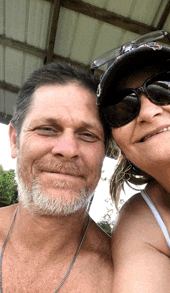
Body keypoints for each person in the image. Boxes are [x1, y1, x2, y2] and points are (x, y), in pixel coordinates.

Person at [91, 30, 170, 292]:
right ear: (120, 146)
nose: (148, 112)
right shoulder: (140, 223)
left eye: (167, 88)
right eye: (123, 107)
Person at [1, 62, 113, 292]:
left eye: (88, 134)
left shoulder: (123, 277)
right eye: (47, 129)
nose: (68, 149)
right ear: (14, 141)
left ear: (105, 151)